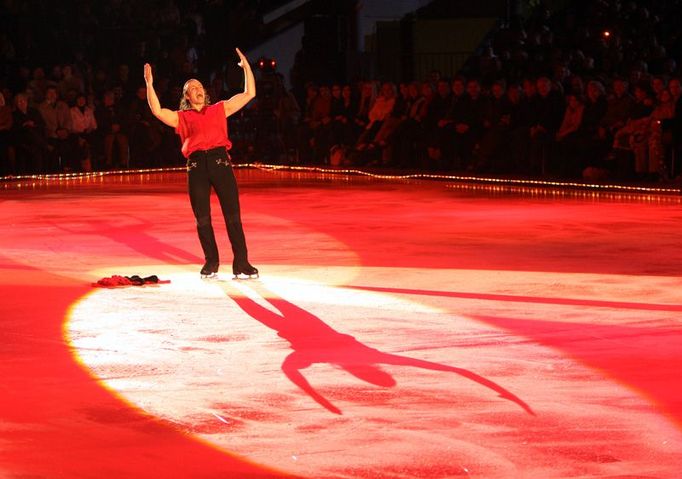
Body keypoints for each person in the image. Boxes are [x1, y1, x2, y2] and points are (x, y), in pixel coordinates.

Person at [143, 47, 258, 279]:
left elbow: (248, 94)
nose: (197, 89)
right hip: (196, 167)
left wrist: (247, 68)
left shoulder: (218, 109)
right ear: (187, 96)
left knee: (232, 215)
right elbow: (157, 110)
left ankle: (242, 262)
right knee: (202, 217)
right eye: (191, 88)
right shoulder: (182, 117)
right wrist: (149, 84)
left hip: (220, 162)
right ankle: (211, 262)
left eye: (199, 86)